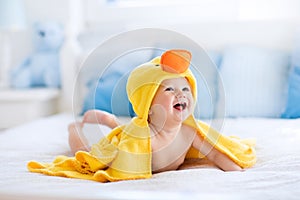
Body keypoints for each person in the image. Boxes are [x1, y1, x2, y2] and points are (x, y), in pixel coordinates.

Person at [28, 49, 256, 182]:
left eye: (186, 89)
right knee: (86, 152)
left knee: (120, 126)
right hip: (120, 148)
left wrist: (238, 176)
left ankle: (109, 120)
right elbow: (124, 165)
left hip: (133, 130)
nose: (181, 94)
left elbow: (216, 155)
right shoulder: (142, 137)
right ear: (147, 103)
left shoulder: (189, 132)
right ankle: (74, 128)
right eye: (169, 89)